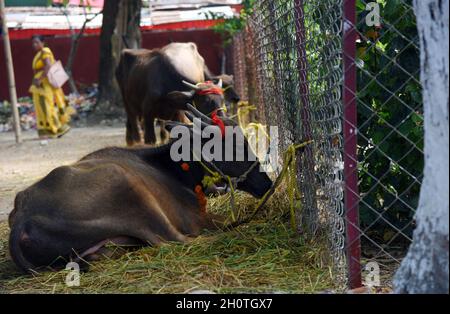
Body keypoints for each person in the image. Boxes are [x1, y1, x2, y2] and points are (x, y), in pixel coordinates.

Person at [29, 35, 71, 139]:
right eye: (33, 43)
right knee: (42, 107)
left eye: (37, 42)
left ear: (43, 43)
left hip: (44, 84)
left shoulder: (45, 51)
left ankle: (55, 129)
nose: (34, 45)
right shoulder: (39, 53)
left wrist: (40, 79)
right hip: (41, 85)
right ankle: (47, 131)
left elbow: (48, 65)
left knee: (46, 106)